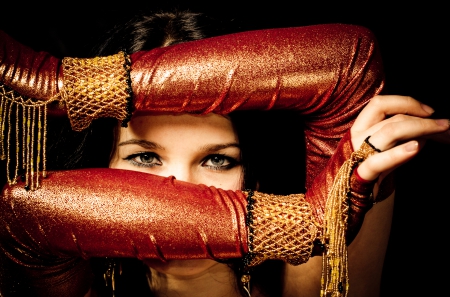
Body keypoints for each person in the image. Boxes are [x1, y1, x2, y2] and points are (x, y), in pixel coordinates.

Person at [0, 11, 448, 297]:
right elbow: (22, 210)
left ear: (253, 166)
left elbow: (352, 61)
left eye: (219, 160)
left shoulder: (316, 270)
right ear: (102, 162)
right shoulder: (66, 282)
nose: (183, 189)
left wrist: (62, 86)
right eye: (144, 158)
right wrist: (304, 223)